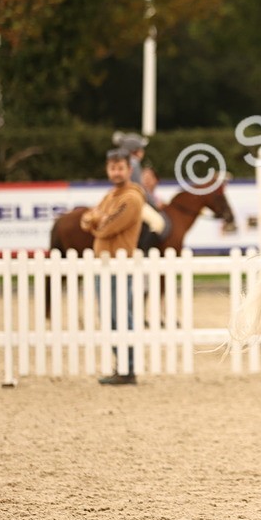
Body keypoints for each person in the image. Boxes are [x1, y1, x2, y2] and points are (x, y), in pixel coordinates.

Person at [80, 148, 146, 385]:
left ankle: (128, 369)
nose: (116, 172)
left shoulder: (132, 198)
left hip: (120, 263)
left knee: (120, 316)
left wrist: (98, 219)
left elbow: (105, 227)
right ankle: (122, 367)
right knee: (108, 317)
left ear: (129, 170)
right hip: (105, 264)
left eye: (120, 168)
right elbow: (86, 219)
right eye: (112, 168)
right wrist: (97, 219)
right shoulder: (110, 196)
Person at [113, 132, 167, 251]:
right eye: (141, 149)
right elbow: (140, 188)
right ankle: (143, 252)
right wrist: (154, 203)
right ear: (135, 150)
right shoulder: (133, 163)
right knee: (158, 223)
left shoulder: (121, 161)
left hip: (119, 199)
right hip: (132, 201)